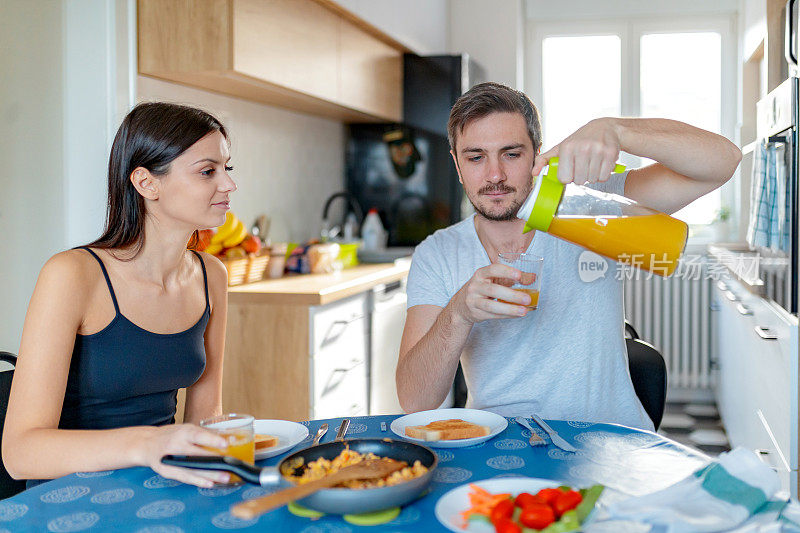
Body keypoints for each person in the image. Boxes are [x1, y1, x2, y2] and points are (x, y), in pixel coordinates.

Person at [395, 82, 741, 429]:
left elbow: (723, 161)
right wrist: (459, 313)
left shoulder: (591, 207)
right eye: (476, 157)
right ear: (457, 164)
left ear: (537, 154)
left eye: (512, 154)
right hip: (503, 444)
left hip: (610, 440)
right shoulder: (438, 253)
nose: (495, 175)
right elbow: (415, 402)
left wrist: (617, 130)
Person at [3, 102, 238, 487]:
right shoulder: (73, 275)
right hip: (68, 496)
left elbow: (205, 419)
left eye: (227, 169)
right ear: (146, 183)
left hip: (160, 483)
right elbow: (20, 455)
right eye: (208, 171)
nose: (228, 185)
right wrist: (149, 443)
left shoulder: (211, 275)